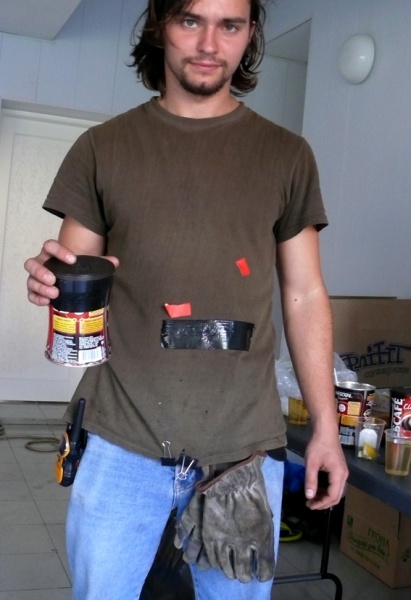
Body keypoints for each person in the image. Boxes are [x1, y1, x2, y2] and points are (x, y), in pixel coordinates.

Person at [24, 0, 348, 598]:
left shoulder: (286, 155)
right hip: (121, 442)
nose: (208, 44)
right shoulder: (103, 148)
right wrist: (51, 281)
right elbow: (76, 272)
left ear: (249, 34)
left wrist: (326, 426)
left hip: (243, 454)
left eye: (230, 25)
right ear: (159, 26)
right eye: (190, 20)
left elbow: (304, 294)